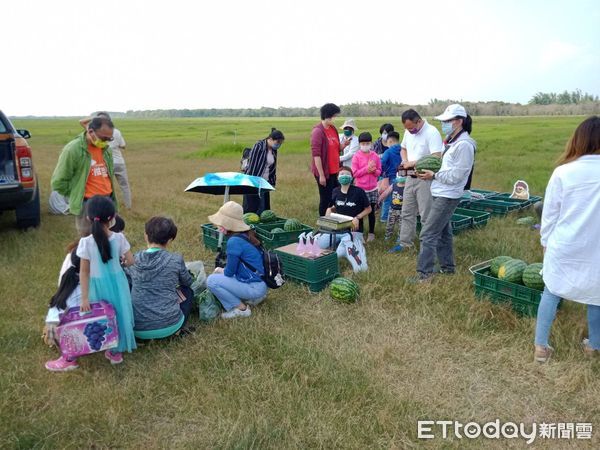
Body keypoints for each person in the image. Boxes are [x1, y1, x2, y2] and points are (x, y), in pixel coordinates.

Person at [534, 116, 600, 363]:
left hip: (565, 245)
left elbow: (549, 214)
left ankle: (541, 348)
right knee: (597, 295)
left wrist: (545, 243)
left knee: (551, 291)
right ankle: (594, 346)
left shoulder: (563, 172)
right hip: (597, 249)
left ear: (579, 140)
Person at [411, 104, 475, 282]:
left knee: (428, 234)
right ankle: (448, 268)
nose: (444, 124)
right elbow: (446, 167)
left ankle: (424, 275)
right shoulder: (451, 140)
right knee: (444, 233)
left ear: (459, 121)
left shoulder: (464, 145)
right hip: (440, 191)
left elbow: (458, 174)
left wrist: (435, 175)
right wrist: (431, 176)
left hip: (448, 195)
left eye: (447, 121)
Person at [77, 196, 135, 363]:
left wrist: (84, 297)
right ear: (112, 218)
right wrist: (123, 260)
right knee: (120, 312)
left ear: (88, 218)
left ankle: (106, 344)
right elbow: (130, 261)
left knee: (103, 316)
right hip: (118, 283)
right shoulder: (119, 238)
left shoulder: (85, 243)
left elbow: (84, 272)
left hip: (97, 286)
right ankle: (116, 352)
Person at [51, 116, 118, 236]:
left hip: (107, 201)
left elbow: (108, 176)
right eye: (103, 138)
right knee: (88, 242)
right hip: (87, 204)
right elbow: (58, 182)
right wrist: (77, 194)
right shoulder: (73, 149)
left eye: (109, 139)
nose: (106, 142)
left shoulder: (106, 150)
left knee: (110, 240)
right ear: (90, 131)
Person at [130, 217, 195, 340]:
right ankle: (176, 331)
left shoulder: (134, 260)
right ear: (170, 240)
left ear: (146, 235)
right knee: (188, 292)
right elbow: (188, 282)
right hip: (170, 325)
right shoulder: (175, 260)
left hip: (137, 328)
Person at [206, 201, 268, 319]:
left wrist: (220, 270)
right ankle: (252, 298)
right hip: (261, 283)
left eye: (220, 223)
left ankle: (241, 309)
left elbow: (229, 273)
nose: (218, 226)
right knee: (221, 277)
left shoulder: (234, 242)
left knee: (211, 281)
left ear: (228, 224)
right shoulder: (246, 235)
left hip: (255, 287)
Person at [397, 109, 444, 251]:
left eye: (411, 127)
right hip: (410, 177)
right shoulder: (408, 132)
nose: (409, 131)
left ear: (419, 121)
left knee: (426, 214)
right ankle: (405, 244)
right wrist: (405, 160)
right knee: (406, 212)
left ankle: (428, 246)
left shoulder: (432, 132)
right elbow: (403, 148)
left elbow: (436, 157)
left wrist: (414, 162)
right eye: (406, 128)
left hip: (425, 178)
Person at [80, 112, 132, 209]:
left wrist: (95, 119)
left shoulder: (95, 132)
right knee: (124, 185)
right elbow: (123, 145)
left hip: (105, 163)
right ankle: (128, 206)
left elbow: (81, 122)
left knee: (107, 186)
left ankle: (107, 204)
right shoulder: (117, 132)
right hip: (119, 162)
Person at [43, 249, 82, 371]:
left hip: (52, 330)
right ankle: (69, 360)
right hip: (66, 337)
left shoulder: (67, 277)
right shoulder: (87, 286)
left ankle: (46, 335)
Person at [311, 103, 350, 216]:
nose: (335, 118)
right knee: (326, 199)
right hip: (325, 172)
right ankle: (323, 222)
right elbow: (316, 155)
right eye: (334, 116)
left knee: (335, 196)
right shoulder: (318, 132)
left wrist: (344, 145)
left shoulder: (332, 129)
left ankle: (333, 218)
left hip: (335, 170)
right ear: (328, 115)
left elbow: (336, 148)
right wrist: (321, 175)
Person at [242, 129, 285, 214]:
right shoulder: (259, 146)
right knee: (252, 208)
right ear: (271, 139)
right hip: (254, 183)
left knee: (264, 210)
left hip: (265, 183)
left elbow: (273, 167)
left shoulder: (273, 149)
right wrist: (254, 184)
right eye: (277, 142)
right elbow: (252, 166)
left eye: (280, 143)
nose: (278, 145)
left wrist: (272, 182)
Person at [352, 132, 381, 242]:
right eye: (363, 143)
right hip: (360, 189)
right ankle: (360, 233)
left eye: (367, 143)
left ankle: (371, 233)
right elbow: (354, 173)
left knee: (371, 212)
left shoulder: (375, 156)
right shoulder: (356, 156)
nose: (365, 145)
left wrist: (374, 172)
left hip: (373, 188)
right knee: (361, 212)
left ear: (371, 143)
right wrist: (366, 169)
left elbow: (379, 171)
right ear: (359, 144)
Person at [379, 131, 402, 222]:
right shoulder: (403, 150)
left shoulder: (388, 151)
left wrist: (383, 175)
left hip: (390, 178)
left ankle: (384, 218)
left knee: (387, 199)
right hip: (401, 178)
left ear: (390, 141)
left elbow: (382, 163)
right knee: (398, 199)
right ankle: (397, 218)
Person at [378, 173, 406, 247]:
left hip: (402, 210)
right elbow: (386, 193)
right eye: (400, 176)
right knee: (389, 224)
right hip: (392, 209)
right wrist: (379, 199)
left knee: (401, 225)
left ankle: (400, 238)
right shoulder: (394, 185)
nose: (401, 177)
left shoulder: (407, 187)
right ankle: (387, 237)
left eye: (403, 176)